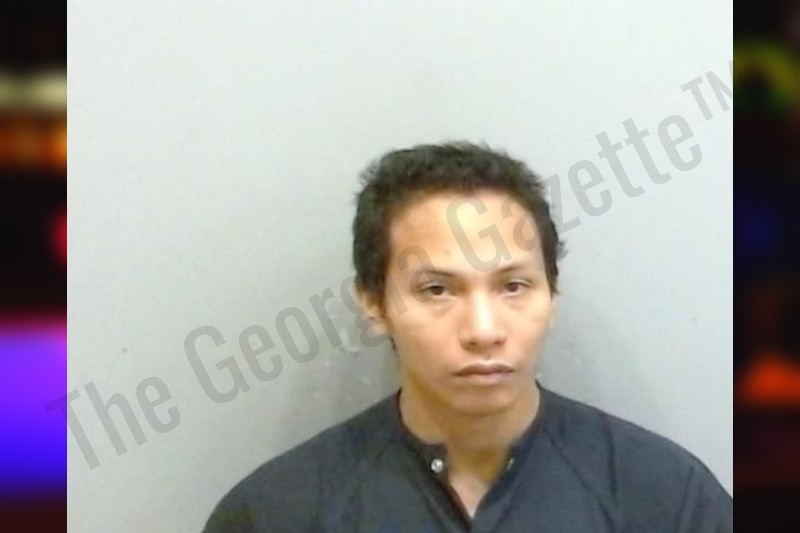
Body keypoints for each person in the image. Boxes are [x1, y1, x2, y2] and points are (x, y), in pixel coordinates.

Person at [203, 142, 732, 532]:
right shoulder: (278, 512)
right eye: (437, 290)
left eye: (513, 286)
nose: (483, 330)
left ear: (552, 295)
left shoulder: (666, 497)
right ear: (374, 304)